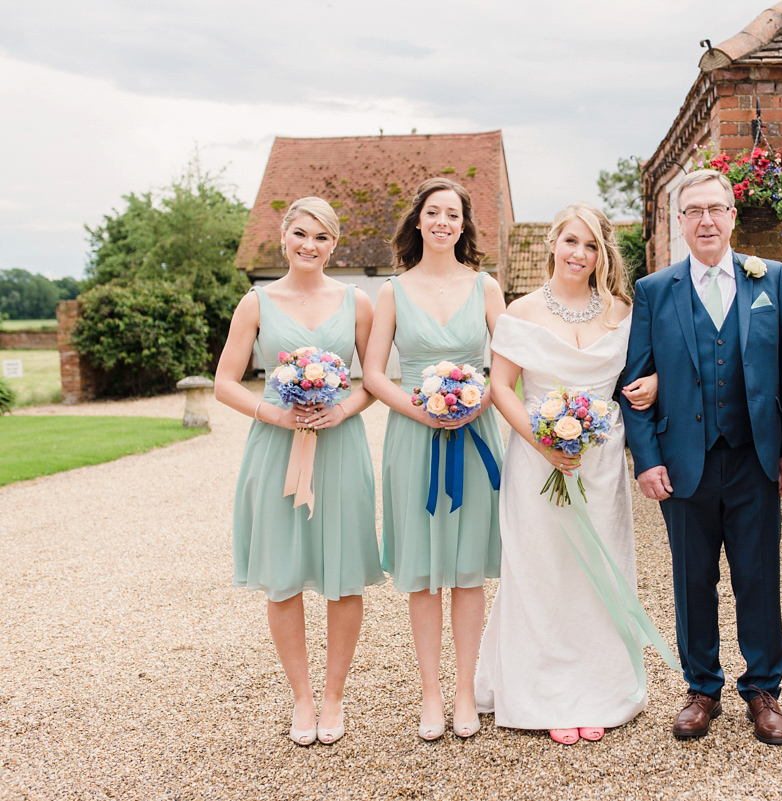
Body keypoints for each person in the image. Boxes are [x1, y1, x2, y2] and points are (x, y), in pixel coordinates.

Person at [621, 169, 782, 746]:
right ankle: (701, 687)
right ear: (679, 222)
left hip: (754, 458)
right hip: (683, 463)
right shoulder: (655, 290)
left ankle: (762, 690)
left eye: (716, 208)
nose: (706, 219)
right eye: (693, 210)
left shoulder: (769, 279)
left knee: (758, 577)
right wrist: (647, 460)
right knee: (691, 579)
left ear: (732, 216)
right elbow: (634, 382)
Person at [474, 202, 663, 746]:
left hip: (599, 463)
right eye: (571, 242)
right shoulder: (522, 310)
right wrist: (543, 444)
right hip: (536, 462)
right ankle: (545, 694)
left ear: (603, 254)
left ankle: (598, 690)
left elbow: (643, 378)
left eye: (591, 246)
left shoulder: (623, 312)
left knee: (597, 571)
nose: (579, 254)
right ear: (553, 244)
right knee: (542, 570)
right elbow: (500, 389)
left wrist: (653, 387)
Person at [215, 196, 384, 747]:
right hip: (275, 445)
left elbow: (375, 382)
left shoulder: (357, 302)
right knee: (283, 574)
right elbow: (225, 382)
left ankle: (334, 695)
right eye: (301, 234)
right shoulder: (257, 303)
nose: (310, 246)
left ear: (334, 245)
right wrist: (276, 413)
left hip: (340, 448)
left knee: (343, 574)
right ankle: (303, 698)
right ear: (284, 235)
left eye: (321, 237)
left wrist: (343, 408)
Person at [361, 178, 506, 741]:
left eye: (453, 214)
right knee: (423, 572)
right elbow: (373, 371)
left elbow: (507, 363)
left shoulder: (486, 286)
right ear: (417, 222)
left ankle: (466, 691)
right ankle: (430, 694)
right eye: (433, 213)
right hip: (414, 436)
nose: (443, 221)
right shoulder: (393, 292)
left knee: (468, 569)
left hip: (475, 434)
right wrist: (423, 411)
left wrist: (477, 402)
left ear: (463, 225)